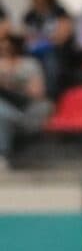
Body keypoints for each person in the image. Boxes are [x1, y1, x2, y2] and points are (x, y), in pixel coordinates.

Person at [0, 31, 49, 167]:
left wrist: (11, 83)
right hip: (6, 106)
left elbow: (37, 92)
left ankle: (2, 154)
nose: (5, 51)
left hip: (26, 108)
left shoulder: (29, 64)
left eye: (8, 47)